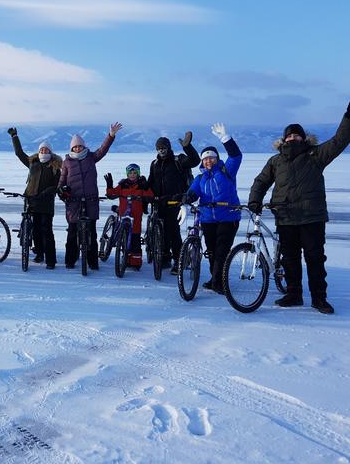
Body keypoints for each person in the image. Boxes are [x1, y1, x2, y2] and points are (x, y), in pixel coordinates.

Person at [248, 102, 350, 314]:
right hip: (285, 217)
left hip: (311, 217)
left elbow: (340, 140)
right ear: (284, 139)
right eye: (289, 136)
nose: (293, 139)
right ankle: (294, 294)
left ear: (304, 138)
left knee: (315, 259)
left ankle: (319, 299)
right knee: (290, 260)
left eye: (297, 136)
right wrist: (254, 200)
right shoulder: (276, 161)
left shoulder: (316, 155)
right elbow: (260, 182)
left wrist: (348, 116)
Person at [183, 123, 242, 294]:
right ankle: (215, 278)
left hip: (228, 217)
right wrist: (186, 202)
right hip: (207, 218)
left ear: (216, 159)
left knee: (221, 250)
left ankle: (218, 282)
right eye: (205, 158)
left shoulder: (226, 171)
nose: (209, 161)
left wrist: (226, 139)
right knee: (211, 251)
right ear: (202, 161)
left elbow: (236, 156)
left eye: (211, 158)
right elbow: (193, 191)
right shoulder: (200, 178)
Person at [58, 122, 122, 269]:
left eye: (80, 146)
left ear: (84, 146)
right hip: (74, 202)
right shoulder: (67, 162)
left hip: (90, 200)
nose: (78, 148)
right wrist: (62, 192)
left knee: (91, 233)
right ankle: (70, 260)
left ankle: (92, 262)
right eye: (75, 146)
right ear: (71, 148)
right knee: (73, 233)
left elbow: (103, 150)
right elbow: (61, 181)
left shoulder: (91, 157)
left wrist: (111, 135)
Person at [8, 127, 62, 269]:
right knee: (36, 230)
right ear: (39, 151)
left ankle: (51, 260)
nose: (44, 152)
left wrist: (44, 193)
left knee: (47, 230)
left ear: (51, 152)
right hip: (32, 201)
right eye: (42, 150)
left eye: (46, 150)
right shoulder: (33, 163)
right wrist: (14, 136)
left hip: (46, 203)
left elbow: (56, 186)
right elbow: (19, 153)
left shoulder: (56, 167)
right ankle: (39, 254)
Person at [147, 131, 200, 275]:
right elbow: (150, 182)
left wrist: (187, 147)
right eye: (159, 148)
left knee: (173, 232)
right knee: (161, 231)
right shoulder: (155, 163)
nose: (162, 150)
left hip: (174, 202)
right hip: (159, 203)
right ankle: (165, 257)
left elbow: (195, 161)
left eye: (164, 147)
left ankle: (179, 260)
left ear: (169, 147)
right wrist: (144, 196)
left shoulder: (179, 160)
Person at [104, 163, 153, 269]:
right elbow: (111, 194)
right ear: (127, 174)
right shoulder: (123, 184)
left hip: (136, 216)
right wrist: (109, 185)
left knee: (135, 238)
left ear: (138, 174)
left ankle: (135, 262)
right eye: (130, 173)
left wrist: (147, 189)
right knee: (124, 236)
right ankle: (125, 256)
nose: (132, 175)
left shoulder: (141, 184)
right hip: (124, 213)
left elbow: (150, 196)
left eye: (135, 173)